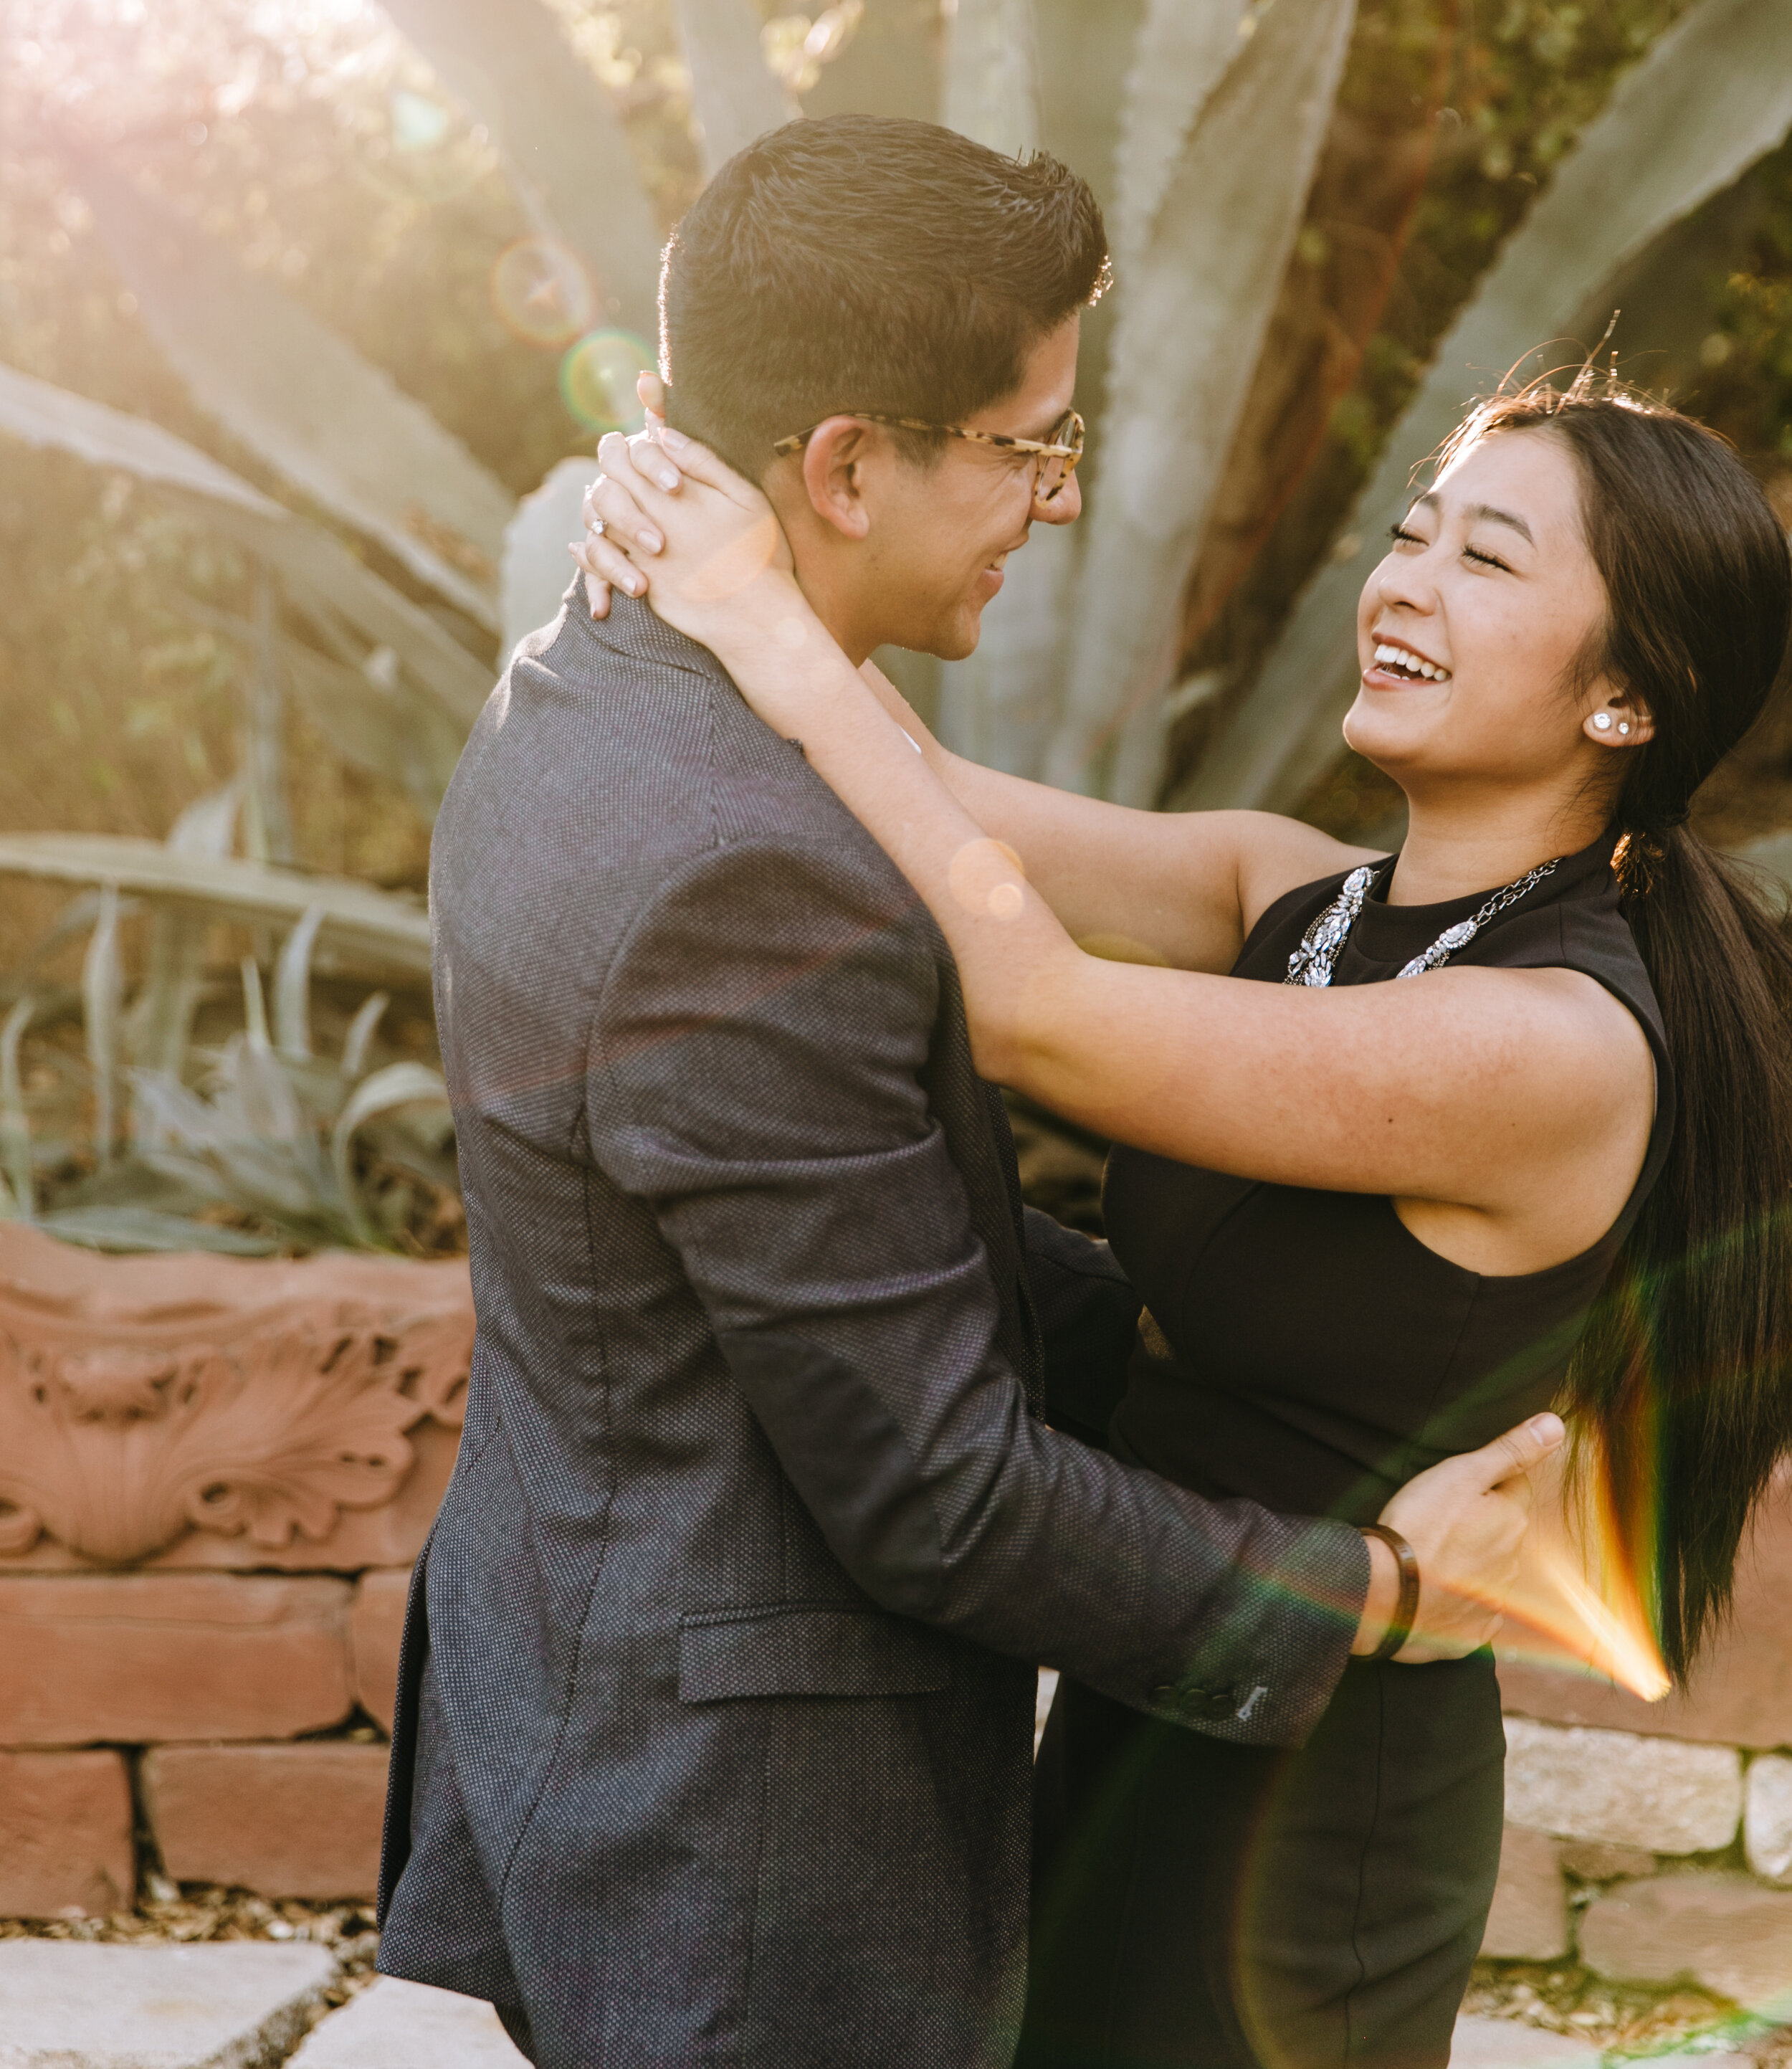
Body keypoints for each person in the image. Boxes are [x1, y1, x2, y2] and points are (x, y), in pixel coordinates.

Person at [376, 115, 1560, 2069]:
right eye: (1027, 441)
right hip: (751, 1850)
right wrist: (1379, 1584)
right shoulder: (750, 869)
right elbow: (935, 1488)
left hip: (596, 1691)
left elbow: (824, 1229)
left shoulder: (572, 693)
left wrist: (1201, 1341)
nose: (1062, 496)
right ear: (844, 463)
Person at [578, 272, 1792, 2069]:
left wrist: (761, 620)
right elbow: (919, 804)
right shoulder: (1296, 896)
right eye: (1412, 533)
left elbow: (1032, 1010)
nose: (1400, 586)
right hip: (1178, 1685)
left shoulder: (1547, 1046)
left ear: (1624, 698)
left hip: (1321, 1799)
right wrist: (732, 550)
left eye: (1488, 562)